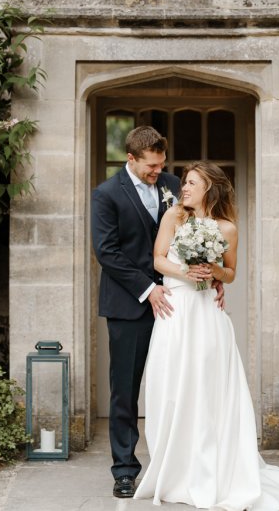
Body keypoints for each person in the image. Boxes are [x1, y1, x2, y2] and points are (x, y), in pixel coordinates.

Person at [134, 161, 279, 511]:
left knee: (207, 391)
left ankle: (210, 471)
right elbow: (158, 259)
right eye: (184, 183)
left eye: (191, 183)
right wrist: (186, 272)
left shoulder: (228, 228)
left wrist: (215, 271)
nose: (183, 188)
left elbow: (231, 272)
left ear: (210, 188)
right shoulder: (174, 217)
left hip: (207, 315)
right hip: (175, 312)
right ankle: (173, 472)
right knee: (170, 388)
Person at [91, 128, 223, 498]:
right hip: (130, 305)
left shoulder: (171, 184)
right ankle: (125, 470)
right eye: (152, 165)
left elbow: (196, 228)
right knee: (125, 390)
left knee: (180, 384)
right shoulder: (105, 195)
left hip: (179, 303)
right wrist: (148, 289)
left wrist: (210, 274)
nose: (159, 171)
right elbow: (107, 252)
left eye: (162, 164)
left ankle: (180, 465)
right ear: (130, 158)